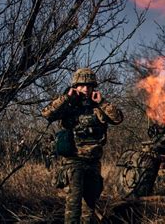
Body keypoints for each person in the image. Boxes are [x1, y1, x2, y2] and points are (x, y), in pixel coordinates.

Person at [41, 68, 123, 223]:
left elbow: (118, 118)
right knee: (73, 204)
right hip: (74, 161)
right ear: (75, 87)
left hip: (93, 162)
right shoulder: (69, 106)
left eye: (89, 86)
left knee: (89, 206)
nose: (86, 89)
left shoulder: (98, 107)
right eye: (82, 85)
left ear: (94, 87)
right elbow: (46, 113)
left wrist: (102, 102)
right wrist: (66, 98)